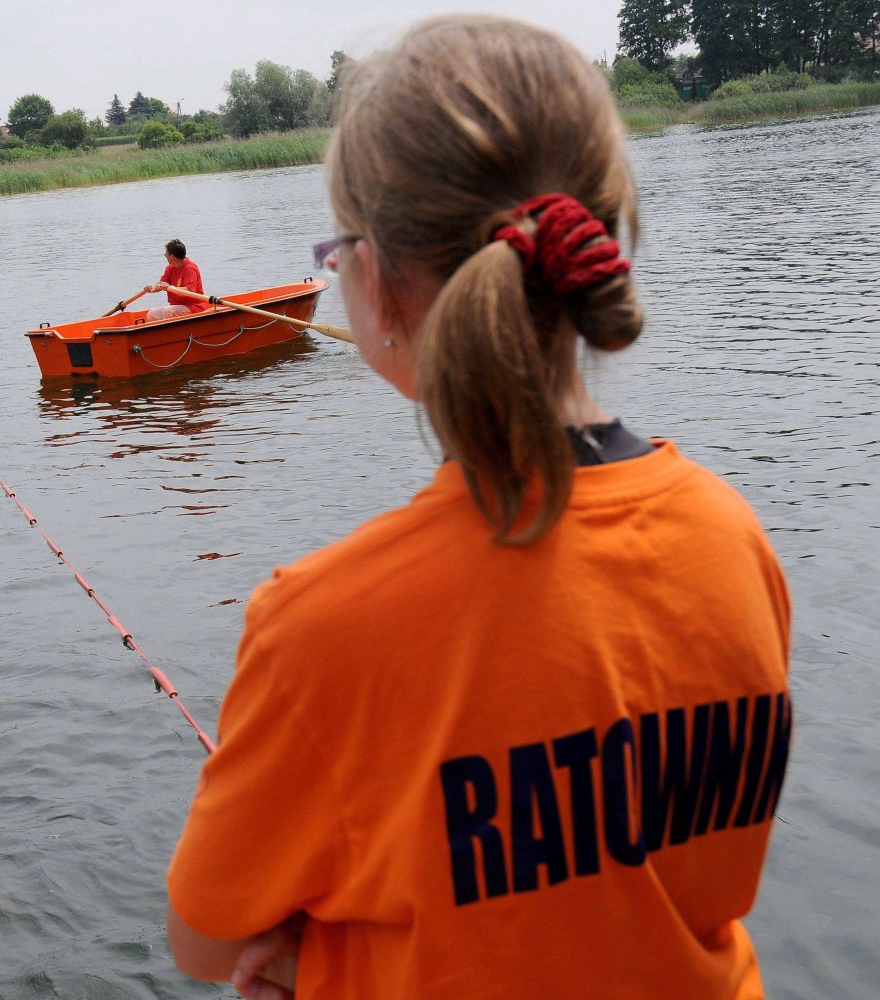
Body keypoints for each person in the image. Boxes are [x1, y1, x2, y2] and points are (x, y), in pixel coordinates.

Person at [165, 15, 791, 1000]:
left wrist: (309, 951)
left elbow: (204, 946)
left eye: (337, 251)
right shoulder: (734, 537)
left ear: (380, 283)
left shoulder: (318, 627)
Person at [144, 239, 210, 321]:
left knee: (168, 311)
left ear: (172, 256)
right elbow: (161, 283)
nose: (165, 256)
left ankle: (170, 329)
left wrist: (170, 287)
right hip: (177, 306)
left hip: (194, 307)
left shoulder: (190, 268)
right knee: (151, 314)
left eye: (166, 254)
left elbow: (189, 290)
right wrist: (151, 289)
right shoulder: (170, 267)